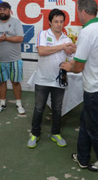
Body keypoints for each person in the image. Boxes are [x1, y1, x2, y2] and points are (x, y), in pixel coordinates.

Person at [60, 0, 98, 172]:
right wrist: (78, 49)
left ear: (83, 11)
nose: (78, 15)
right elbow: (97, 50)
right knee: (86, 121)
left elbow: (78, 67)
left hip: (95, 87)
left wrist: (68, 66)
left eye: (78, 11)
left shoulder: (87, 31)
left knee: (95, 128)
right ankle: (82, 157)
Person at [27, 9, 76, 149]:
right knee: (38, 108)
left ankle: (56, 133)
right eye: (56, 21)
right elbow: (42, 51)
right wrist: (62, 47)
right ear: (49, 22)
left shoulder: (67, 39)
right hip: (42, 79)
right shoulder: (43, 34)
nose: (59, 24)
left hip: (59, 80)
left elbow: (73, 59)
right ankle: (35, 134)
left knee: (57, 108)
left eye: (61, 22)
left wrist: (69, 64)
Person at [0, 2, 25, 115]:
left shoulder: (15, 22)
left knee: (16, 82)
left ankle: (18, 104)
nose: (2, 11)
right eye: (0, 9)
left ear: (9, 10)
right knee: (1, 82)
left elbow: (20, 38)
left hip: (14, 59)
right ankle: (2, 103)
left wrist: (6, 38)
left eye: (4, 9)